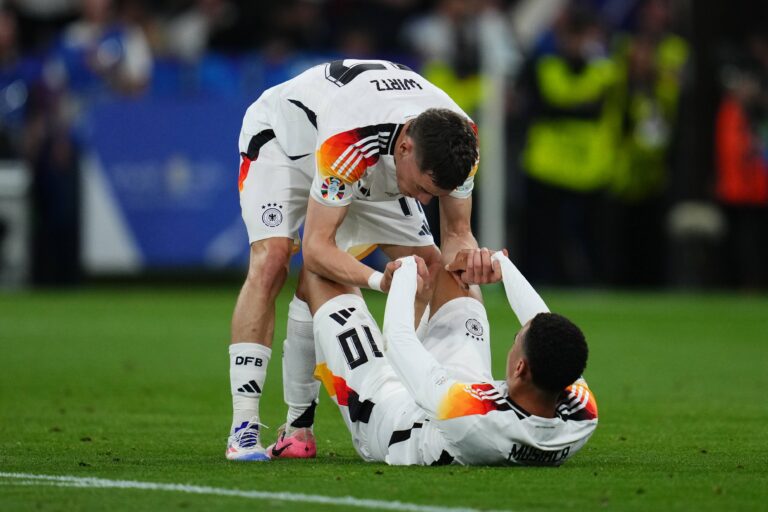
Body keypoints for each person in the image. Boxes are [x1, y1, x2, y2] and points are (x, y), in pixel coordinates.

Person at [227, 58, 484, 461]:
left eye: (433, 194)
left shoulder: (462, 141)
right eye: (421, 187)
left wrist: (476, 260)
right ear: (405, 148)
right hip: (286, 146)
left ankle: (398, 397)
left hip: (369, 163)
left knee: (433, 266)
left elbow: (456, 237)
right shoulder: (350, 138)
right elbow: (316, 248)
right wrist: (381, 281)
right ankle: (244, 425)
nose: (423, 202)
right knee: (275, 260)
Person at [294, 250, 597, 465]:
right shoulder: (580, 414)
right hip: (460, 388)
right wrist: (501, 266)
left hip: (389, 413)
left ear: (520, 368)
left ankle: (296, 428)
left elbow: (397, 342)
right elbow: (544, 325)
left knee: (319, 272)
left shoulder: (471, 416)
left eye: (515, 341)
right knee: (452, 277)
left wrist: (404, 273)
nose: (513, 343)